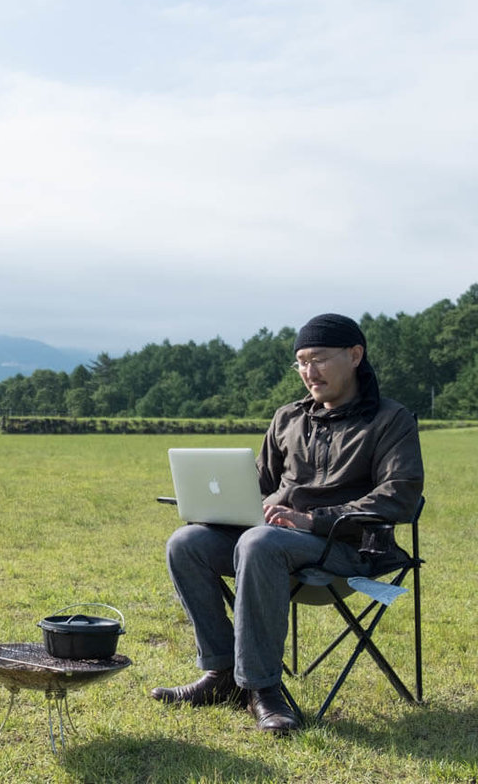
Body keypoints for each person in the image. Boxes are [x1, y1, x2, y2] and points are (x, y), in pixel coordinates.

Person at [151, 313, 424, 734]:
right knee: (186, 542)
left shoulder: (390, 420)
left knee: (259, 543)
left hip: (346, 550)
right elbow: (258, 485)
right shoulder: (287, 418)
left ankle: (262, 689)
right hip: (270, 542)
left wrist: (312, 520)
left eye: (318, 359)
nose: (308, 373)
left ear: (355, 356)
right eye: (300, 362)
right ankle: (222, 674)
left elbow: (400, 495)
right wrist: (219, 506)